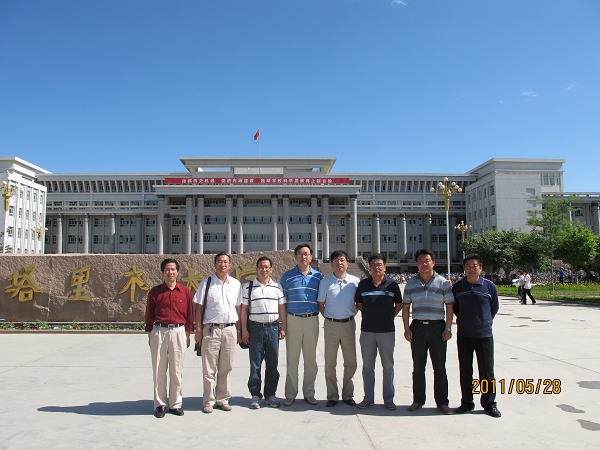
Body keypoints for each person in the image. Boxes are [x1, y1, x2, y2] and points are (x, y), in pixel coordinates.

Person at [402, 249, 454, 415]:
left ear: (433, 262)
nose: (424, 264)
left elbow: (449, 306)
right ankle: (418, 400)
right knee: (418, 367)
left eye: (427, 260)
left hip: (437, 328)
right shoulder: (411, 283)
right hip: (417, 327)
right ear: (416, 263)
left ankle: (442, 402)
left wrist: (448, 328)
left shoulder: (443, 282)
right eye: (420, 261)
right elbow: (406, 307)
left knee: (439, 367)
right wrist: (407, 328)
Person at [452, 254, 501, 418]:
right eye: (468, 266)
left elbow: (493, 307)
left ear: (480, 268)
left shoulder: (489, 286)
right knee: (465, 370)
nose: (471, 269)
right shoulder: (458, 287)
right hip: (464, 334)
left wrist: (484, 321)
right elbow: (456, 308)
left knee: (487, 371)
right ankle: (467, 402)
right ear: (464, 268)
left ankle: (489, 403)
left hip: (484, 334)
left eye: (474, 266)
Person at [145, 258, 193, 418]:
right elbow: (149, 314)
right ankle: (160, 404)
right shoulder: (155, 292)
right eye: (167, 269)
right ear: (162, 272)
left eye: (173, 269)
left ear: (177, 272)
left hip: (178, 332)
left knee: (176, 370)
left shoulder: (185, 291)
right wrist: (150, 334)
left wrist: (188, 334)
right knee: (159, 369)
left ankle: (175, 404)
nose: (170, 272)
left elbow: (189, 314)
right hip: (159, 331)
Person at [194, 252, 242, 414]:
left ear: (230, 265)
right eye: (220, 262)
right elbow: (199, 307)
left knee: (226, 367)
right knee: (209, 369)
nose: (223, 264)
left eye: (225, 262)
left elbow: (239, 308)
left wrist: (240, 330)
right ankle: (208, 401)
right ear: (215, 264)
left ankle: (223, 399)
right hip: (211, 330)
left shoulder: (235, 284)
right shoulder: (207, 283)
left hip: (230, 329)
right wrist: (198, 330)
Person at [354, 253, 403, 410]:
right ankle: (368, 398)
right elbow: (359, 304)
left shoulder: (392, 285)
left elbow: (399, 305)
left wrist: (388, 316)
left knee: (388, 367)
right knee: (368, 367)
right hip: (367, 331)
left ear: (385, 267)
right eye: (373, 265)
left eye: (379, 264)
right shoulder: (363, 285)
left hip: (386, 331)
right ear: (369, 267)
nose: (377, 267)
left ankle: (388, 399)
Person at [240, 256, 287, 409]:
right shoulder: (248, 287)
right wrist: (244, 330)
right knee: (255, 364)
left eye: (267, 267)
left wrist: (284, 327)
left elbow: (282, 309)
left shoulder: (277, 287)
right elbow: (244, 310)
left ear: (271, 269)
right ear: (257, 269)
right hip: (255, 329)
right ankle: (255, 395)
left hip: (273, 329)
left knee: (272, 364)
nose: (264, 269)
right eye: (261, 266)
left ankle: (270, 395)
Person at [280, 244, 323, 406]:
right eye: (300, 254)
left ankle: (309, 393)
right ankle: (290, 393)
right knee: (292, 359)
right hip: (293, 320)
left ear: (311, 257)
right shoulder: (287, 277)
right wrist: (283, 325)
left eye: (306, 254)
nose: (303, 257)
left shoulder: (318, 277)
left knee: (311, 360)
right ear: (295, 256)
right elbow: (282, 303)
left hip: (312, 320)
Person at [317, 250, 360, 408]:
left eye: (342, 260)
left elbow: (359, 303)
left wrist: (351, 313)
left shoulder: (355, 281)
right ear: (331, 264)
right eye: (336, 260)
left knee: (350, 361)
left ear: (347, 263)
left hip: (349, 324)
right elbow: (321, 304)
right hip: (331, 325)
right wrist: (329, 317)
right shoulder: (325, 282)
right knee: (330, 361)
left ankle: (348, 395)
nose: (339, 263)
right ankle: (332, 396)